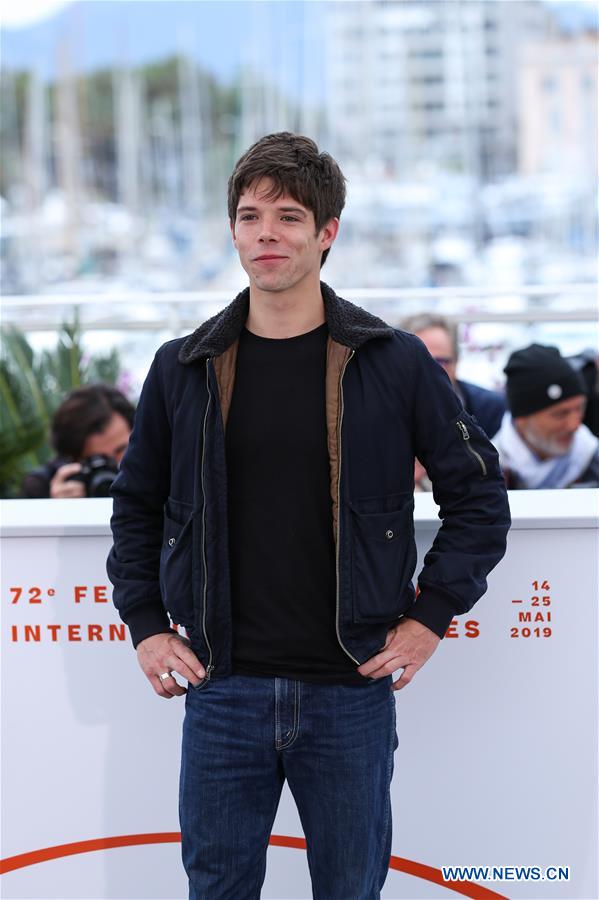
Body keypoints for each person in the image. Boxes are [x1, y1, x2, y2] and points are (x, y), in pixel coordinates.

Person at [107, 132, 510, 900]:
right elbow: (136, 505)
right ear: (232, 230)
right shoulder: (182, 366)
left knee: (350, 890)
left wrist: (430, 617)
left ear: (326, 233)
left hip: (349, 690)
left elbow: (479, 496)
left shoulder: (392, 361)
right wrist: (146, 623)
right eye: (250, 215)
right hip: (222, 689)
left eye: (288, 216)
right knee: (217, 889)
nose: (266, 233)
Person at [493, 343, 599, 489]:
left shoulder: (591, 458)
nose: (574, 425)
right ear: (521, 419)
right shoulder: (485, 474)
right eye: (560, 414)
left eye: (580, 408)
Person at [401, 313, 506, 438]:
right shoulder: (388, 411)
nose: (429, 372)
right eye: (420, 362)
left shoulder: (491, 410)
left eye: (440, 362)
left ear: (456, 362)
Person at [21, 384, 134, 498]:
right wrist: (54, 505)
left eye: (122, 451)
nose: (113, 466)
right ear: (70, 460)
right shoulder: (42, 487)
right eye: (99, 460)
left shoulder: (143, 474)